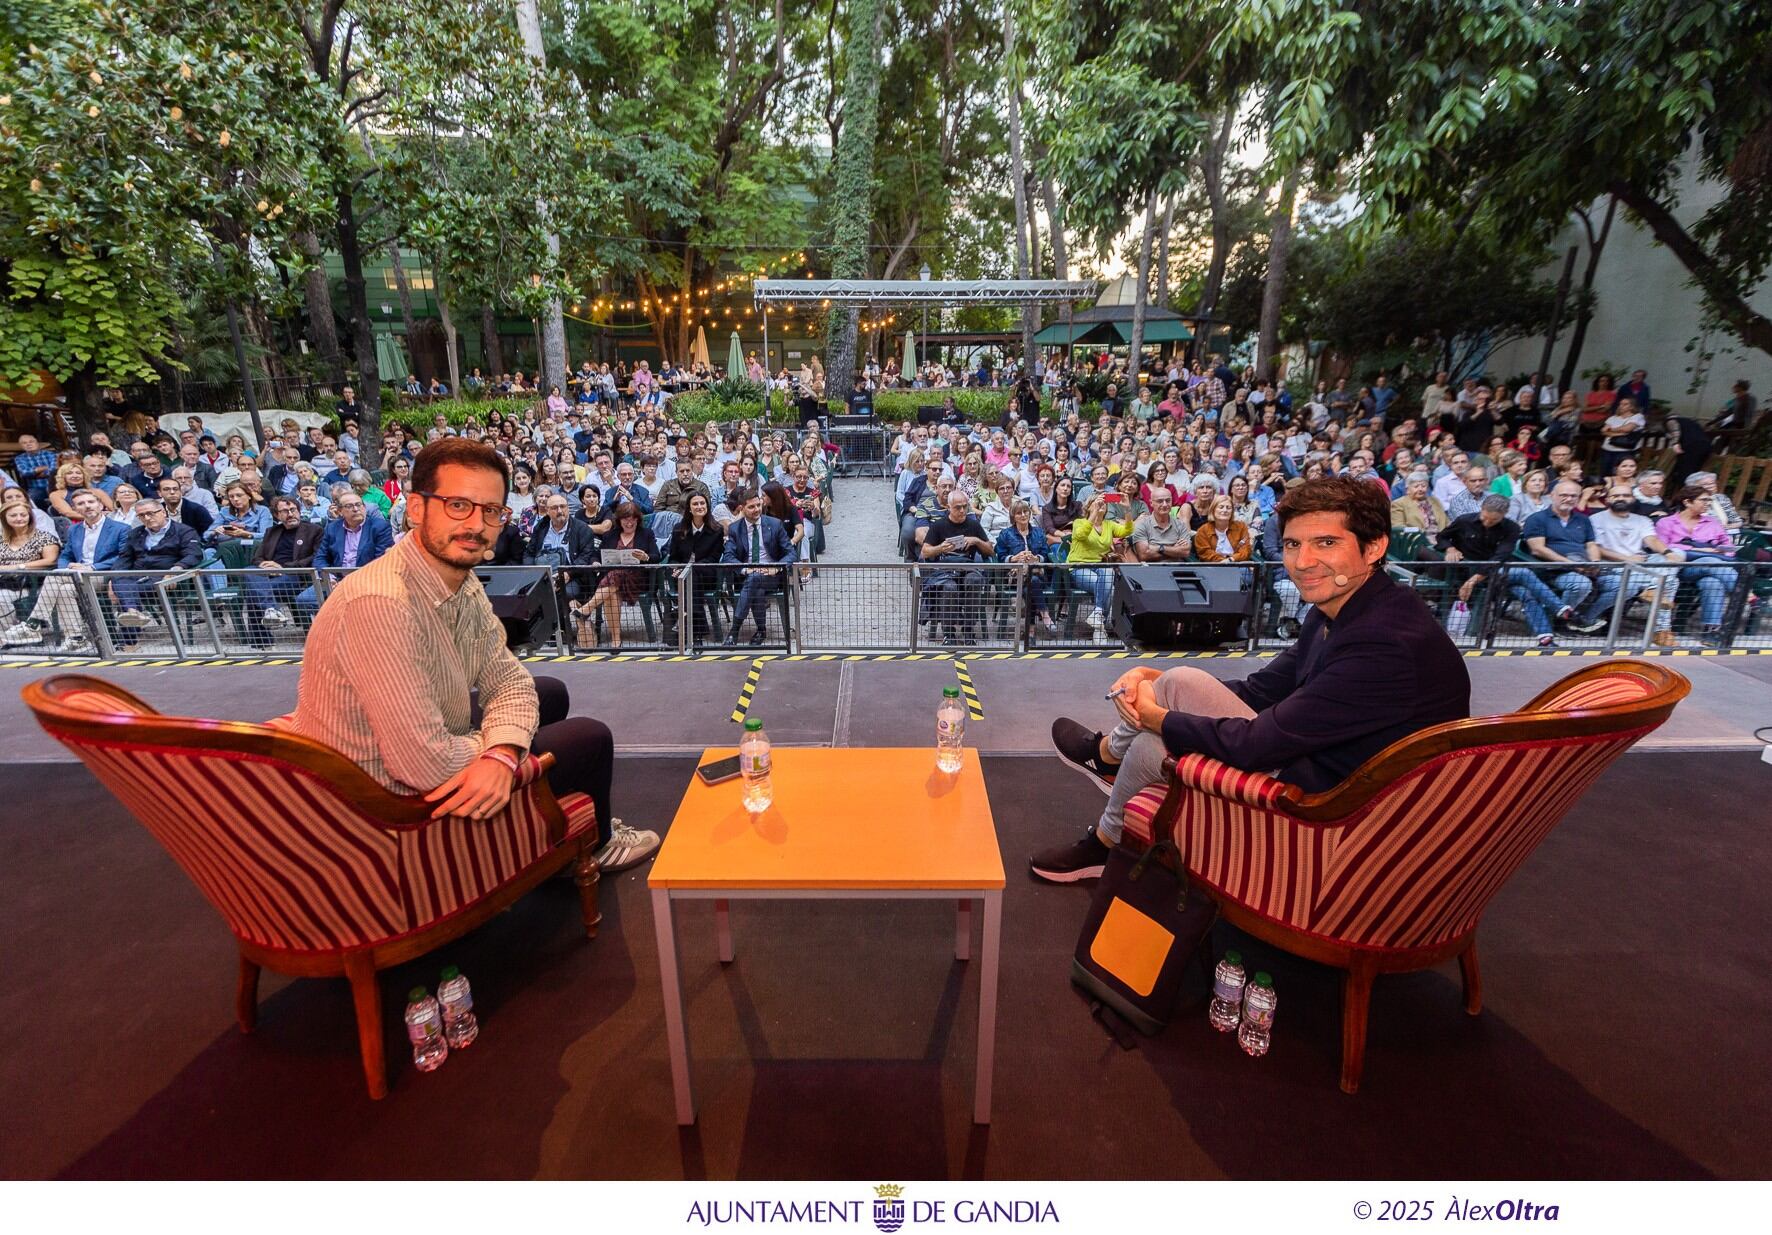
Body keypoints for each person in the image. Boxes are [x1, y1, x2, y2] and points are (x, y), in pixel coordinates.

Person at [1030, 476, 1472, 883]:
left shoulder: (1381, 643)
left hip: (1340, 808)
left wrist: (1158, 717)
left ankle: (1106, 773)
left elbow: (1258, 742)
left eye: (1326, 543)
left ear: (1374, 547)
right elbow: (1259, 691)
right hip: (1326, 769)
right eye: (1294, 544)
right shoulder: (1345, 607)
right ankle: (1106, 817)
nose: (1303, 561)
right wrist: (1158, 682)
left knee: (1154, 734)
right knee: (1172, 691)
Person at [287, 437, 655, 872]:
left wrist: (501, 750)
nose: (476, 524)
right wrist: (503, 751)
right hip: (383, 798)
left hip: (431, 736)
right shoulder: (381, 603)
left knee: (548, 691)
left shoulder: (460, 581)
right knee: (591, 738)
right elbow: (425, 764)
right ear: (416, 509)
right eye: (458, 505)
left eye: (491, 511)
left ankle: (537, 821)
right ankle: (594, 845)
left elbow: (510, 679)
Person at [1520, 480, 1617, 635]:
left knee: (1622, 584)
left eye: (1573, 496)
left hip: (1584, 566)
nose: (1569, 499)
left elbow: (1591, 544)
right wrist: (1571, 564)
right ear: (1552, 495)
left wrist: (1595, 562)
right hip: (1552, 570)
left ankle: (1582, 619)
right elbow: (1538, 549)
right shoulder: (1537, 518)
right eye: (1563, 495)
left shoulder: (1583, 519)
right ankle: (1558, 621)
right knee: (1581, 584)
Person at [1657, 484, 1739, 647]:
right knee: (1709, 561)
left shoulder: (1713, 522)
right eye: (1703, 500)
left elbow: (1729, 547)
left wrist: (1721, 552)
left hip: (1712, 568)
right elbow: (1662, 547)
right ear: (1687, 502)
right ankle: (1746, 594)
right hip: (1679, 569)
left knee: (1712, 582)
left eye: (1709, 500)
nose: (1708, 503)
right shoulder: (1666, 522)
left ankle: (1711, 631)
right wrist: (1698, 549)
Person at [111, 498, 204, 631]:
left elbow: (193, 554)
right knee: (121, 582)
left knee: (124, 590)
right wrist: (113, 578)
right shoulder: (136, 533)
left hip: (165, 577)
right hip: (137, 576)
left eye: (151, 513)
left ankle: (131, 630)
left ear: (163, 512)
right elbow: (123, 559)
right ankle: (132, 612)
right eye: (141, 515)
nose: (147, 518)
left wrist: (175, 570)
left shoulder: (184, 531)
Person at [721, 487, 796, 646]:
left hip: (772, 576)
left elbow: (790, 553)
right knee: (756, 584)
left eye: (758, 505)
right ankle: (761, 630)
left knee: (755, 580)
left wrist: (775, 568)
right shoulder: (735, 529)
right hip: (746, 576)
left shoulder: (774, 524)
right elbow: (728, 556)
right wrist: (745, 569)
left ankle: (734, 631)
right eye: (751, 507)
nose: (756, 510)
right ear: (742, 508)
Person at [244, 495, 322, 644]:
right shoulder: (272, 531)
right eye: (285, 511)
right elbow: (257, 558)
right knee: (249, 570)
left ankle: (261, 640)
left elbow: (315, 557)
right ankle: (271, 611)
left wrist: (283, 567)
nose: (291, 514)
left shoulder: (314, 530)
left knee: (254, 590)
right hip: (269, 575)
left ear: (299, 511)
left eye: (293, 509)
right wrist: (265, 565)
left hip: (295, 575)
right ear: (277, 515)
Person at [919, 490, 992, 644]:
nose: (962, 511)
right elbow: (925, 552)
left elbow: (990, 550)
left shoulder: (973, 524)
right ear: (949, 507)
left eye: (965, 507)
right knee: (949, 587)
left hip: (967, 566)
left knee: (974, 581)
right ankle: (949, 632)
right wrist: (940, 548)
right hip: (945, 568)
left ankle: (968, 629)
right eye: (958, 507)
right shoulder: (938, 525)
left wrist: (976, 541)